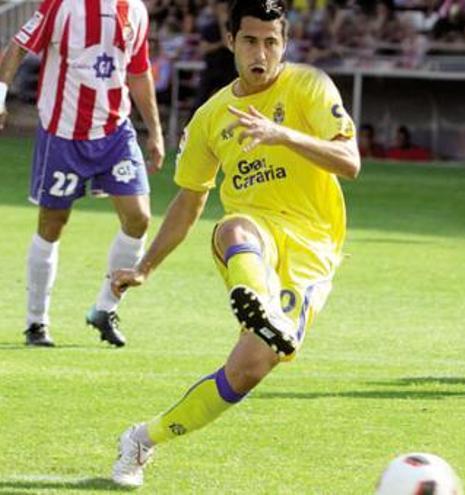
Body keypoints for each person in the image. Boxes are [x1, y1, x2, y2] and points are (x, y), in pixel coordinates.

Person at [107, 0, 360, 487]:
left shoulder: (309, 85)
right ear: (231, 42)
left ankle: (142, 438)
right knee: (232, 228)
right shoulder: (209, 117)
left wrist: (280, 134)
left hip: (313, 249)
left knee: (247, 370)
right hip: (255, 236)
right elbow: (189, 201)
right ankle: (261, 305)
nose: (260, 52)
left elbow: (349, 161)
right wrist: (145, 267)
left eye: (271, 41)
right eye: (250, 41)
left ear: (284, 44)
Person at [0, 0, 165, 347]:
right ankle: (36, 321)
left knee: (139, 218)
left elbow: (137, 72)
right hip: (63, 133)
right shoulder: (63, 4)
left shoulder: (134, 9)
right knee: (53, 223)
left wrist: (155, 130)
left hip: (115, 132)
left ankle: (104, 308)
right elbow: (18, 45)